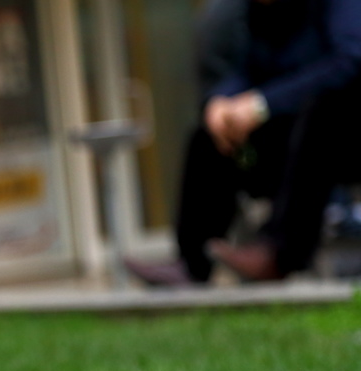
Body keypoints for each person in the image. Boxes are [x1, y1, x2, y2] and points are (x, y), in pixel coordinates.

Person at [127, 0, 361, 285]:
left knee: (323, 114)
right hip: (288, 140)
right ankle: (191, 263)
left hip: (343, 137)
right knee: (210, 135)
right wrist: (221, 101)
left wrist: (263, 104)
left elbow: (350, 60)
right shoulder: (260, 12)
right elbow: (247, 69)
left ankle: (278, 254)